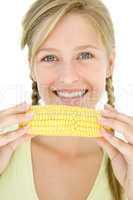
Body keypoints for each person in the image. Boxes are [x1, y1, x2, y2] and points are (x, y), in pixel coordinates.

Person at [0, 0, 132, 199]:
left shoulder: (127, 164)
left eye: (85, 55)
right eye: (50, 58)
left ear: (110, 64)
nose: (68, 77)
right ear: (32, 69)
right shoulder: (3, 151)